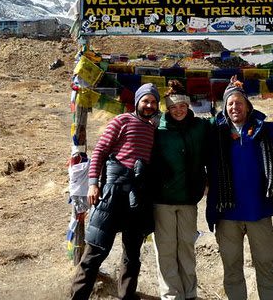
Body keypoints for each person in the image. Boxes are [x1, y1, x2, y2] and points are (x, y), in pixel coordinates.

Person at [205, 77, 273, 300]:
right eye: (230, 104)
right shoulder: (214, 134)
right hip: (227, 215)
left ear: (248, 105)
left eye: (239, 102)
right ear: (225, 108)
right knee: (232, 270)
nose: (234, 107)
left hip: (260, 213)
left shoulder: (267, 132)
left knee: (266, 268)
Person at [70, 83, 160, 300]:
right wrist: (93, 183)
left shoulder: (152, 129)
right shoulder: (122, 121)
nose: (149, 105)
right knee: (96, 250)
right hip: (112, 192)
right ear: (137, 101)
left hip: (136, 196)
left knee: (132, 254)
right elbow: (100, 150)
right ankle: (78, 296)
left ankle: (127, 296)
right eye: (145, 100)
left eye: (153, 102)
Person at [150, 80, 210, 300]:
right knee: (166, 250)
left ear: (188, 106)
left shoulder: (200, 127)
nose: (178, 110)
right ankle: (171, 295)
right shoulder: (158, 128)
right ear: (167, 108)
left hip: (188, 199)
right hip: (162, 199)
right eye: (173, 107)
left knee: (186, 248)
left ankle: (190, 293)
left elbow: (225, 123)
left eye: (182, 106)